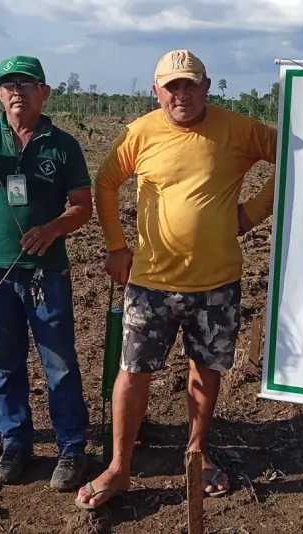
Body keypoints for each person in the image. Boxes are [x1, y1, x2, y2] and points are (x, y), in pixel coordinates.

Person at [76, 49, 276, 510]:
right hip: (151, 282)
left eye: (190, 85)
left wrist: (252, 213)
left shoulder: (239, 129)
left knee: (205, 371)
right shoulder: (139, 132)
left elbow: (290, 155)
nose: (181, 94)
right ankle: (119, 467)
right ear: (157, 91)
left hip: (217, 282)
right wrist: (115, 246)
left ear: (207, 87)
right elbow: (106, 183)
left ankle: (197, 454)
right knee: (133, 372)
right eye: (172, 87)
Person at [0, 55, 92, 490]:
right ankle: (14, 443)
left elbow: (82, 206)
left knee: (59, 364)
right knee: (5, 364)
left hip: (46, 273)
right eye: (9, 84)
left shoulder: (63, 144)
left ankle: (71, 448)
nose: (18, 91)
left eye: (28, 83)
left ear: (45, 92)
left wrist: (52, 229)